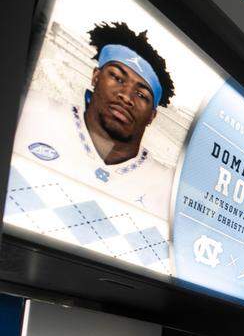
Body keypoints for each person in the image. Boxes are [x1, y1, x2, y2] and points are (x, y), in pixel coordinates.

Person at [12, 21, 178, 236]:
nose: (126, 96)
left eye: (142, 95)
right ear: (96, 76)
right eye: (117, 77)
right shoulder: (31, 112)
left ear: (152, 116)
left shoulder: (168, 187)